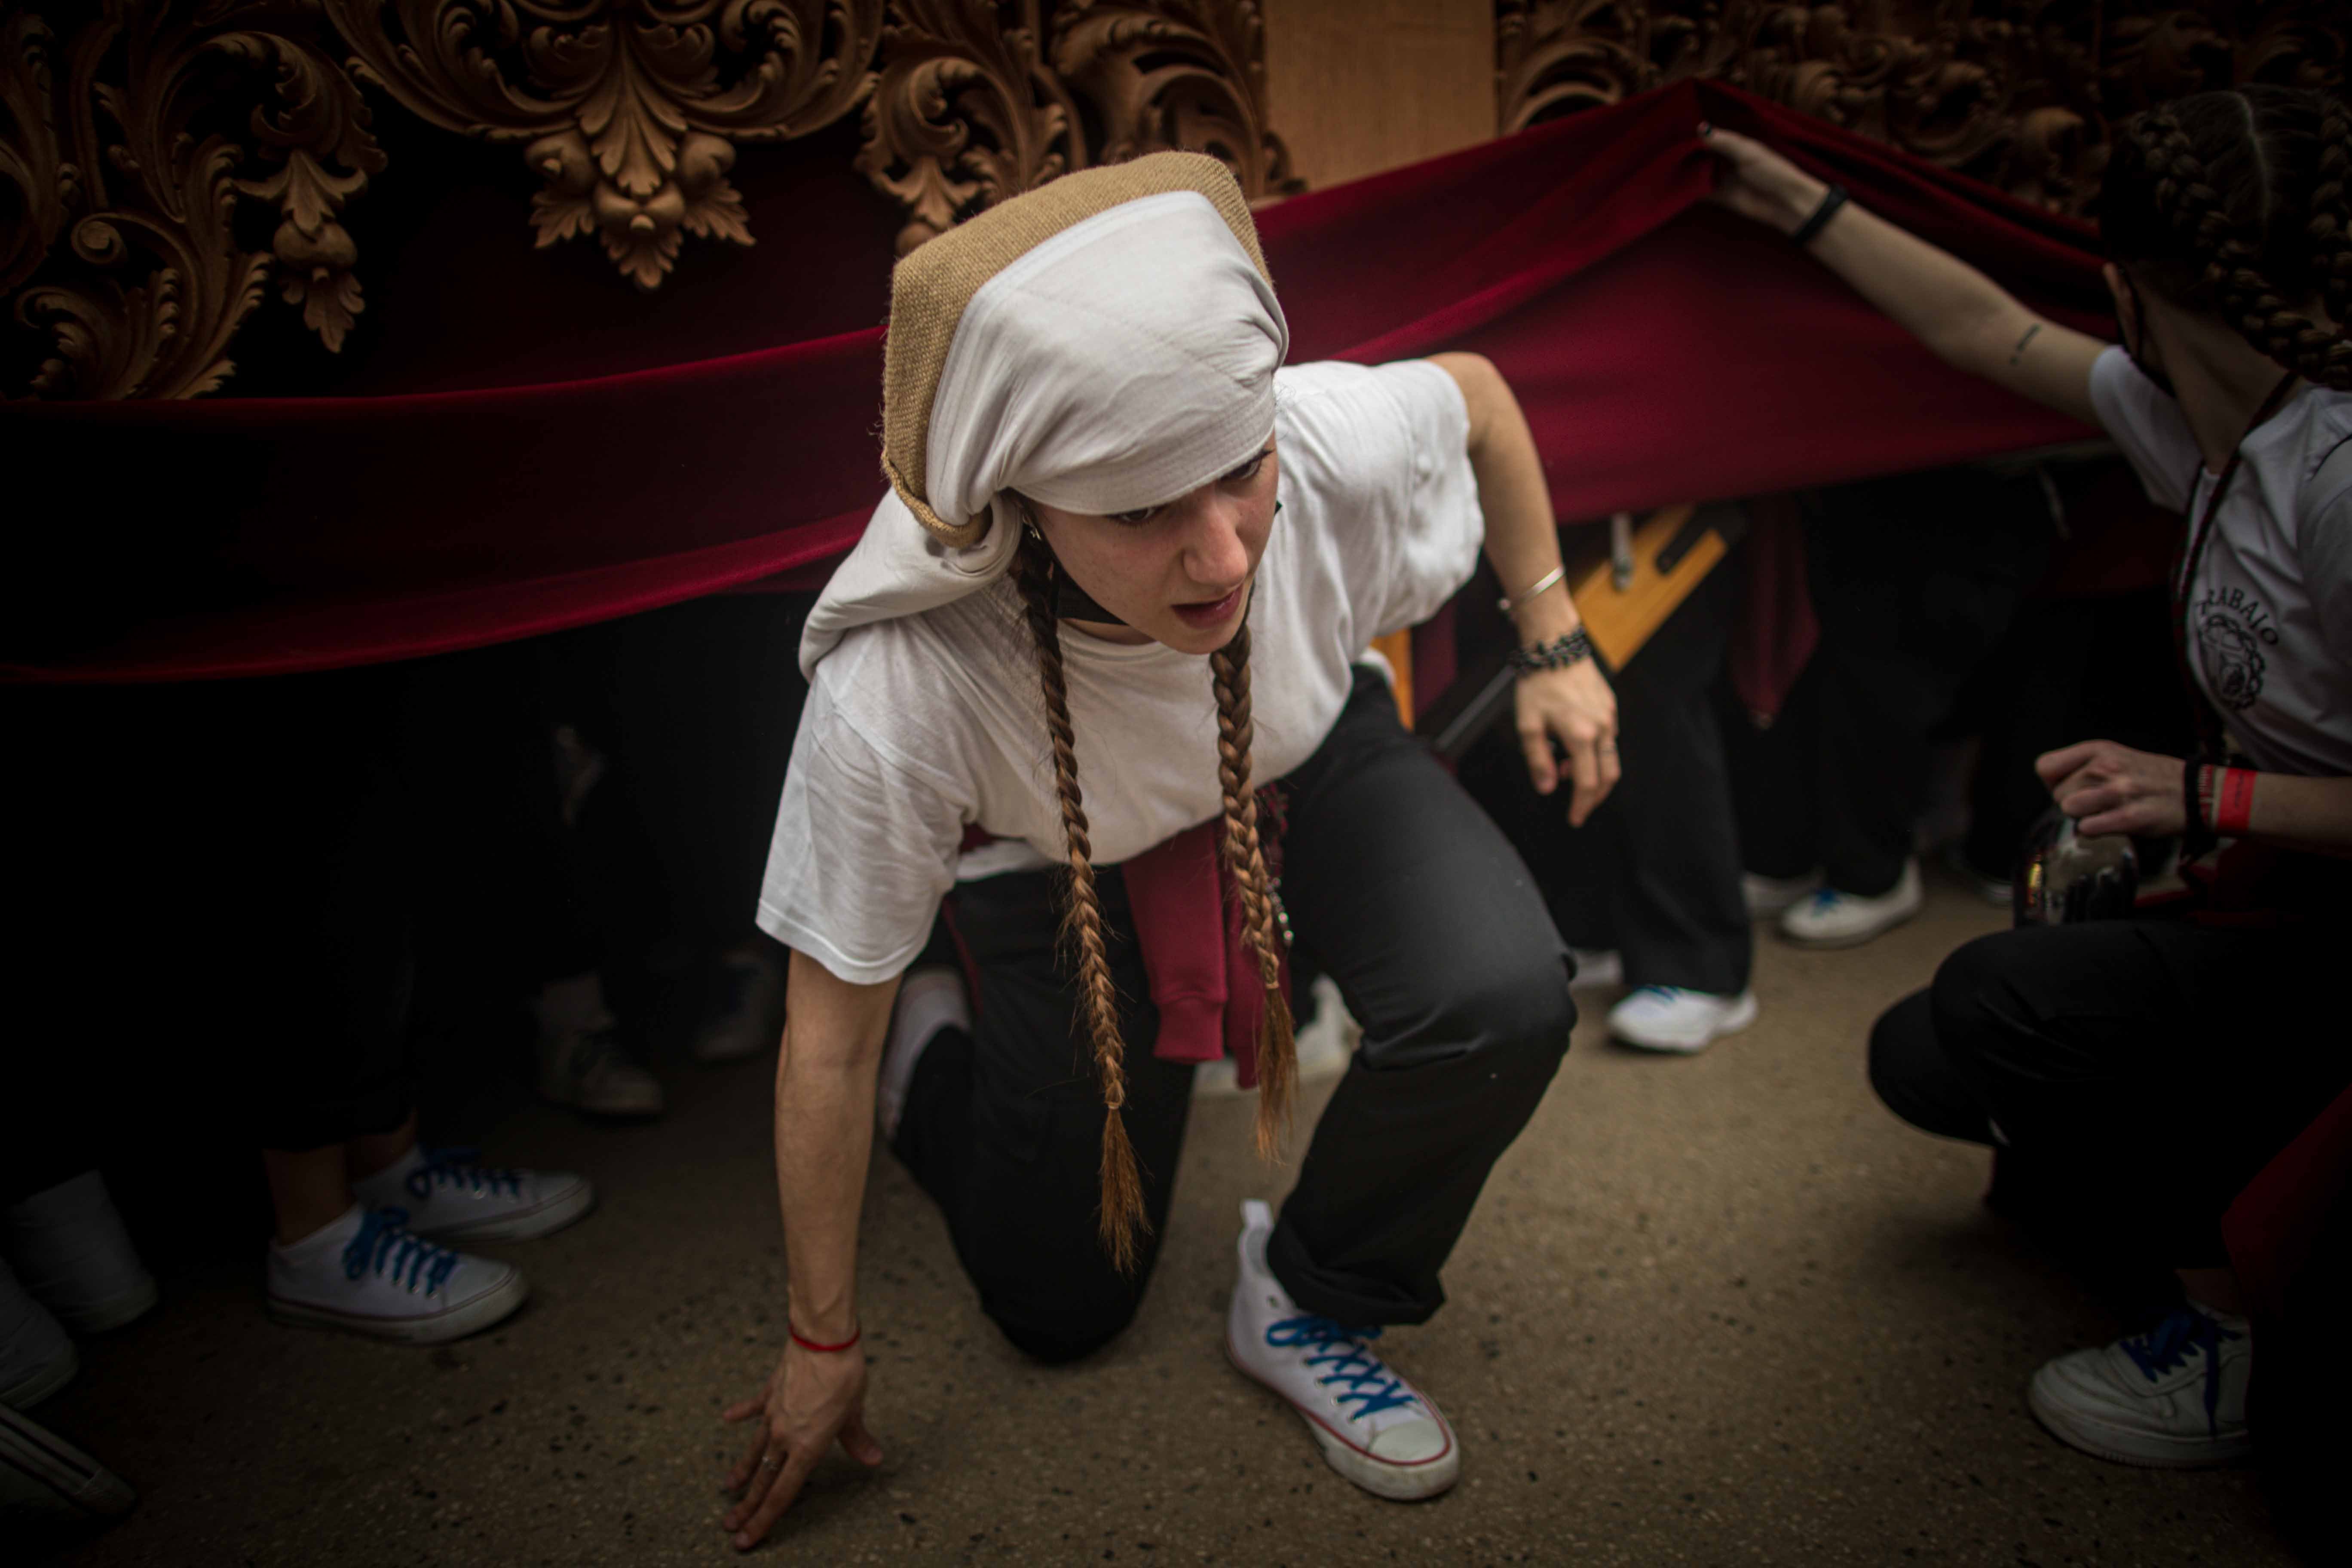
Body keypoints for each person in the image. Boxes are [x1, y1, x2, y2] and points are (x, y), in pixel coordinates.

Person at [719, 153, 1614, 1547]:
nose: (1221, 558)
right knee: (1059, 1309)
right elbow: (822, 1033)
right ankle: (943, 1062)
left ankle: (1315, 1293)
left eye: (1234, 476)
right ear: (1022, 500)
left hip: (1301, 752)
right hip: (1049, 864)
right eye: (1140, 511)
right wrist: (822, 1341)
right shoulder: (903, 683)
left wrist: (1555, 638)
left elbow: (1482, 401)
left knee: (1497, 997)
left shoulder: (1310, 438)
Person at [1706, 87, 2352, 1467]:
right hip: (2287, 895)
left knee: (2004, 1006)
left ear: (2126, 284)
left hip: (2330, 916)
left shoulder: (2341, 479)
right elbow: (1985, 331)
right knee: (1927, 1060)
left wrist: (2208, 799)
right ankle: (2219, 1180)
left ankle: (2237, 1344)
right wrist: (1798, 203)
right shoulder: (2211, 416)